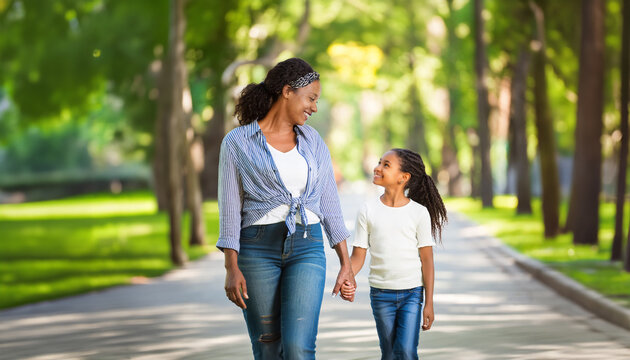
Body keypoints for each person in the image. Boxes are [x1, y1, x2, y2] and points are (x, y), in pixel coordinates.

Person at [217, 57, 356, 360]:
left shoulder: (313, 141)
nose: (314, 107)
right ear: (287, 91)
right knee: (268, 348)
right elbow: (230, 210)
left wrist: (346, 263)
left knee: (298, 348)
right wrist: (231, 266)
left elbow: (330, 205)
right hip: (257, 251)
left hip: (307, 247)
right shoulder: (237, 142)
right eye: (311, 98)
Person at [341, 148, 447, 360]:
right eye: (380, 162)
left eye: (386, 165)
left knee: (406, 352)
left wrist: (429, 303)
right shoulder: (368, 209)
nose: (377, 168)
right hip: (381, 295)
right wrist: (346, 277)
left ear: (403, 177)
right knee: (389, 354)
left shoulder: (418, 212)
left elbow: (427, 261)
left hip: (412, 294)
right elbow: (358, 257)